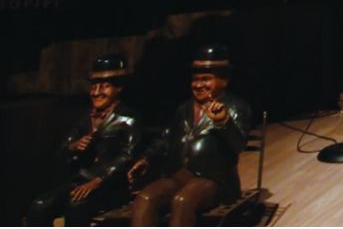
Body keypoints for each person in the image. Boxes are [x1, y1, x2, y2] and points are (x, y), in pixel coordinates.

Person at [128, 44, 252, 227]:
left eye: (206, 79)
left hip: (214, 178)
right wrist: (146, 158)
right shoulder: (183, 109)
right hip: (178, 175)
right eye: (195, 80)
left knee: (183, 201)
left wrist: (223, 122)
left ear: (224, 80)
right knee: (145, 198)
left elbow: (238, 144)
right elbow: (165, 139)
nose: (199, 85)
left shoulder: (236, 107)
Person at [26, 53, 141, 226]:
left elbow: (127, 156)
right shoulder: (84, 118)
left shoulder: (128, 119)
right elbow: (62, 150)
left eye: (105, 87)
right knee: (40, 206)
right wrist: (74, 147)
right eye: (94, 86)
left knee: (76, 207)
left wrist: (98, 180)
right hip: (80, 180)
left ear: (119, 88)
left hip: (110, 184)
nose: (97, 92)